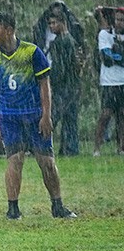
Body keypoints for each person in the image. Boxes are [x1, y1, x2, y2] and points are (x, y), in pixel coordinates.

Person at [0, 11, 77, 220]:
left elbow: (45, 84)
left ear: (9, 30)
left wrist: (46, 115)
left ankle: (57, 205)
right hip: (9, 117)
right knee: (14, 160)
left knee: (46, 161)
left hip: (34, 116)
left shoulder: (32, 52)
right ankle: (13, 209)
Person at [45, 9, 81, 156]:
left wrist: (51, 81)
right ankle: (69, 149)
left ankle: (44, 146)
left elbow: (61, 67)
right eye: (50, 24)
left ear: (63, 23)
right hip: (72, 85)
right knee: (69, 118)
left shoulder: (62, 41)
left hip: (64, 86)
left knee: (54, 116)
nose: (52, 26)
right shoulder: (69, 40)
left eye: (54, 23)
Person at [93, 8, 124, 156]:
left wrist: (117, 53)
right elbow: (107, 59)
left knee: (121, 116)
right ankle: (97, 148)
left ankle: (121, 147)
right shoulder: (105, 34)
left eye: (122, 20)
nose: (119, 23)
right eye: (117, 19)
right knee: (105, 115)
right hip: (109, 82)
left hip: (122, 81)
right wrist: (119, 56)